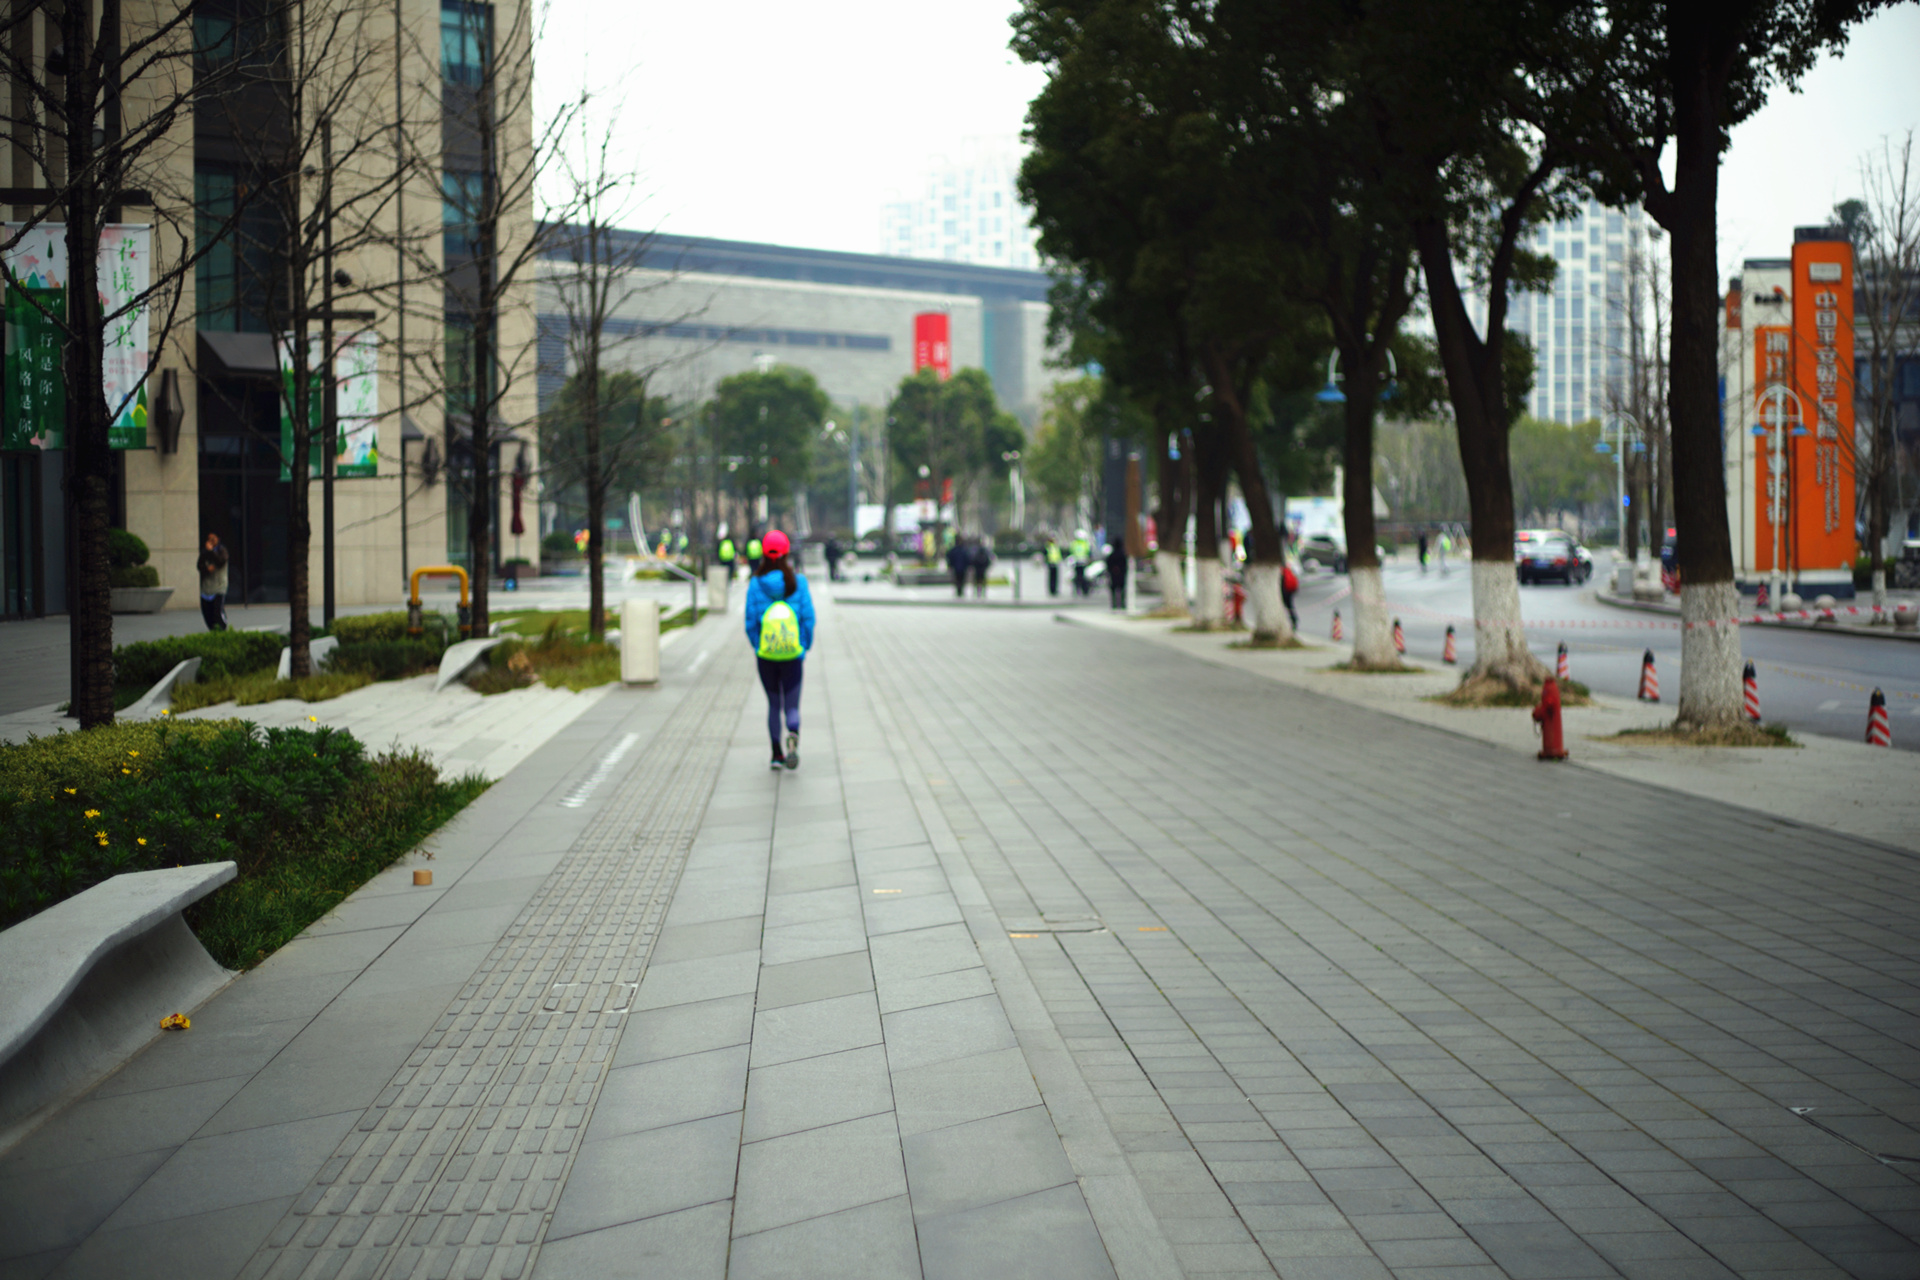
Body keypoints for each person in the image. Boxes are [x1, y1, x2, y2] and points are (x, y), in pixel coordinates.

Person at [744, 530, 815, 771]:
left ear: (763, 553)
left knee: (774, 705)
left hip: (767, 656)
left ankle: (776, 754)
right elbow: (808, 619)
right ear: (787, 553)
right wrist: (803, 647)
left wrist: (759, 646)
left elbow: (750, 622)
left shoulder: (755, 584)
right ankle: (793, 736)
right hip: (792, 655)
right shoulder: (799, 582)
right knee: (792, 706)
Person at [196, 532, 229, 630]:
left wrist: (210, 552)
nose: (211, 541)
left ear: (218, 539)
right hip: (206, 588)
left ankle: (222, 629)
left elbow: (220, 561)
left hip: (219, 587)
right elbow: (199, 566)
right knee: (207, 613)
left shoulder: (222, 550)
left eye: (213, 538)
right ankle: (212, 631)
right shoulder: (204, 552)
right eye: (209, 539)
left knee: (217, 612)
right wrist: (206, 569)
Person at [1104, 541, 1129, 610]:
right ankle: (1122, 604)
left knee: (1113, 590)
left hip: (1113, 575)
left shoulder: (1111, 555)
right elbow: (1125, 565)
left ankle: (1114, 604)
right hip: (1121, 575)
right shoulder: (1123, 555)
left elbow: (1108, 565)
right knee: (1122, 590)